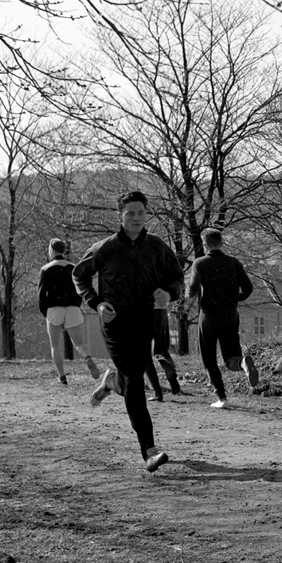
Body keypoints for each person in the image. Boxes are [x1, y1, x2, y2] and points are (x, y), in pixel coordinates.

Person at [73, 191, 184, 473]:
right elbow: (79, 275)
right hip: (115, 322)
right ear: (120, 216)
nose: (136, 218)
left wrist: (168, 293)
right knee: (136, 376)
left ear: (146, 214)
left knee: (131, 377)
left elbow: (177, 277)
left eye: (140, 213)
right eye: (130, 213)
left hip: (147, 319)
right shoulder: (105, 248)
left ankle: (113, 383)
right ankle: (149, 449)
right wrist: (97, 304)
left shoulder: (157, 246)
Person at [187, 227, 259, 409]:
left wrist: (188, 294)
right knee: (231, 357)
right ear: (221, 242)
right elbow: (248, 288)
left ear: (204, 244)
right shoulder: (233, 262)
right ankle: (243, 362)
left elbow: (193, 289)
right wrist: (235, 300)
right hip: (230, 314)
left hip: (208, 316)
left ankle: (222, 398)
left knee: (209, 359)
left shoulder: (200, 263)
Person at [37, 239, 101, 386]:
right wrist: (76, 305)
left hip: (54, 309)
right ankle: (87, 357)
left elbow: (41, 296)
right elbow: (80, 288)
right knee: (79, 343)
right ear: (64, 251)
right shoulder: (73, 268)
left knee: (55, 345)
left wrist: (45, 313)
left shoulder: (45, 269)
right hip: (73, 308)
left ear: (51, 250)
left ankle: (62, 377)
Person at [144, 290, 182, 401]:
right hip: (161, 310)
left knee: (145, 355)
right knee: (162, 350)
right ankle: (171, 373)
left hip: (144, 310)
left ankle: (157, 392)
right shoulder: (161, 272)